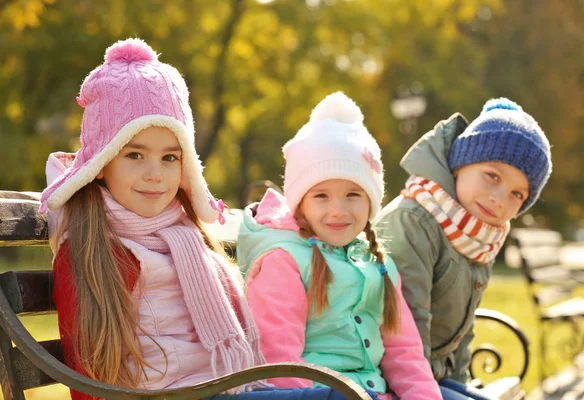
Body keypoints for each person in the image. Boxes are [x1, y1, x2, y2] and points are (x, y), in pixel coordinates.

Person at [40, 38, 370, 400]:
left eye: (170, 158)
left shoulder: (184, 233)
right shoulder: (93, 250)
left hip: (220, 389)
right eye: (135, 155)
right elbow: (89, 377)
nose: (155, 174)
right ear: (102, 163)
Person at [237, 92, 443, 400]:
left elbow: (405, 352)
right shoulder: (283, 260)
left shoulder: (377, 263)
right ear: (300, 203)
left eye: (353, 195)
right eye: (321, 196)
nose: (338, 210)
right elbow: (280, 365)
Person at [374, 98, 552, 399]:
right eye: (493, 176)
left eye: (517, 194)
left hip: (433, 375)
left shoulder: (479, 235)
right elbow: (405, 332)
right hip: (388, 377)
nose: (499, 199)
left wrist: (462, 385)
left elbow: (462, 332)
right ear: (461, 163)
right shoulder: (413, 222)